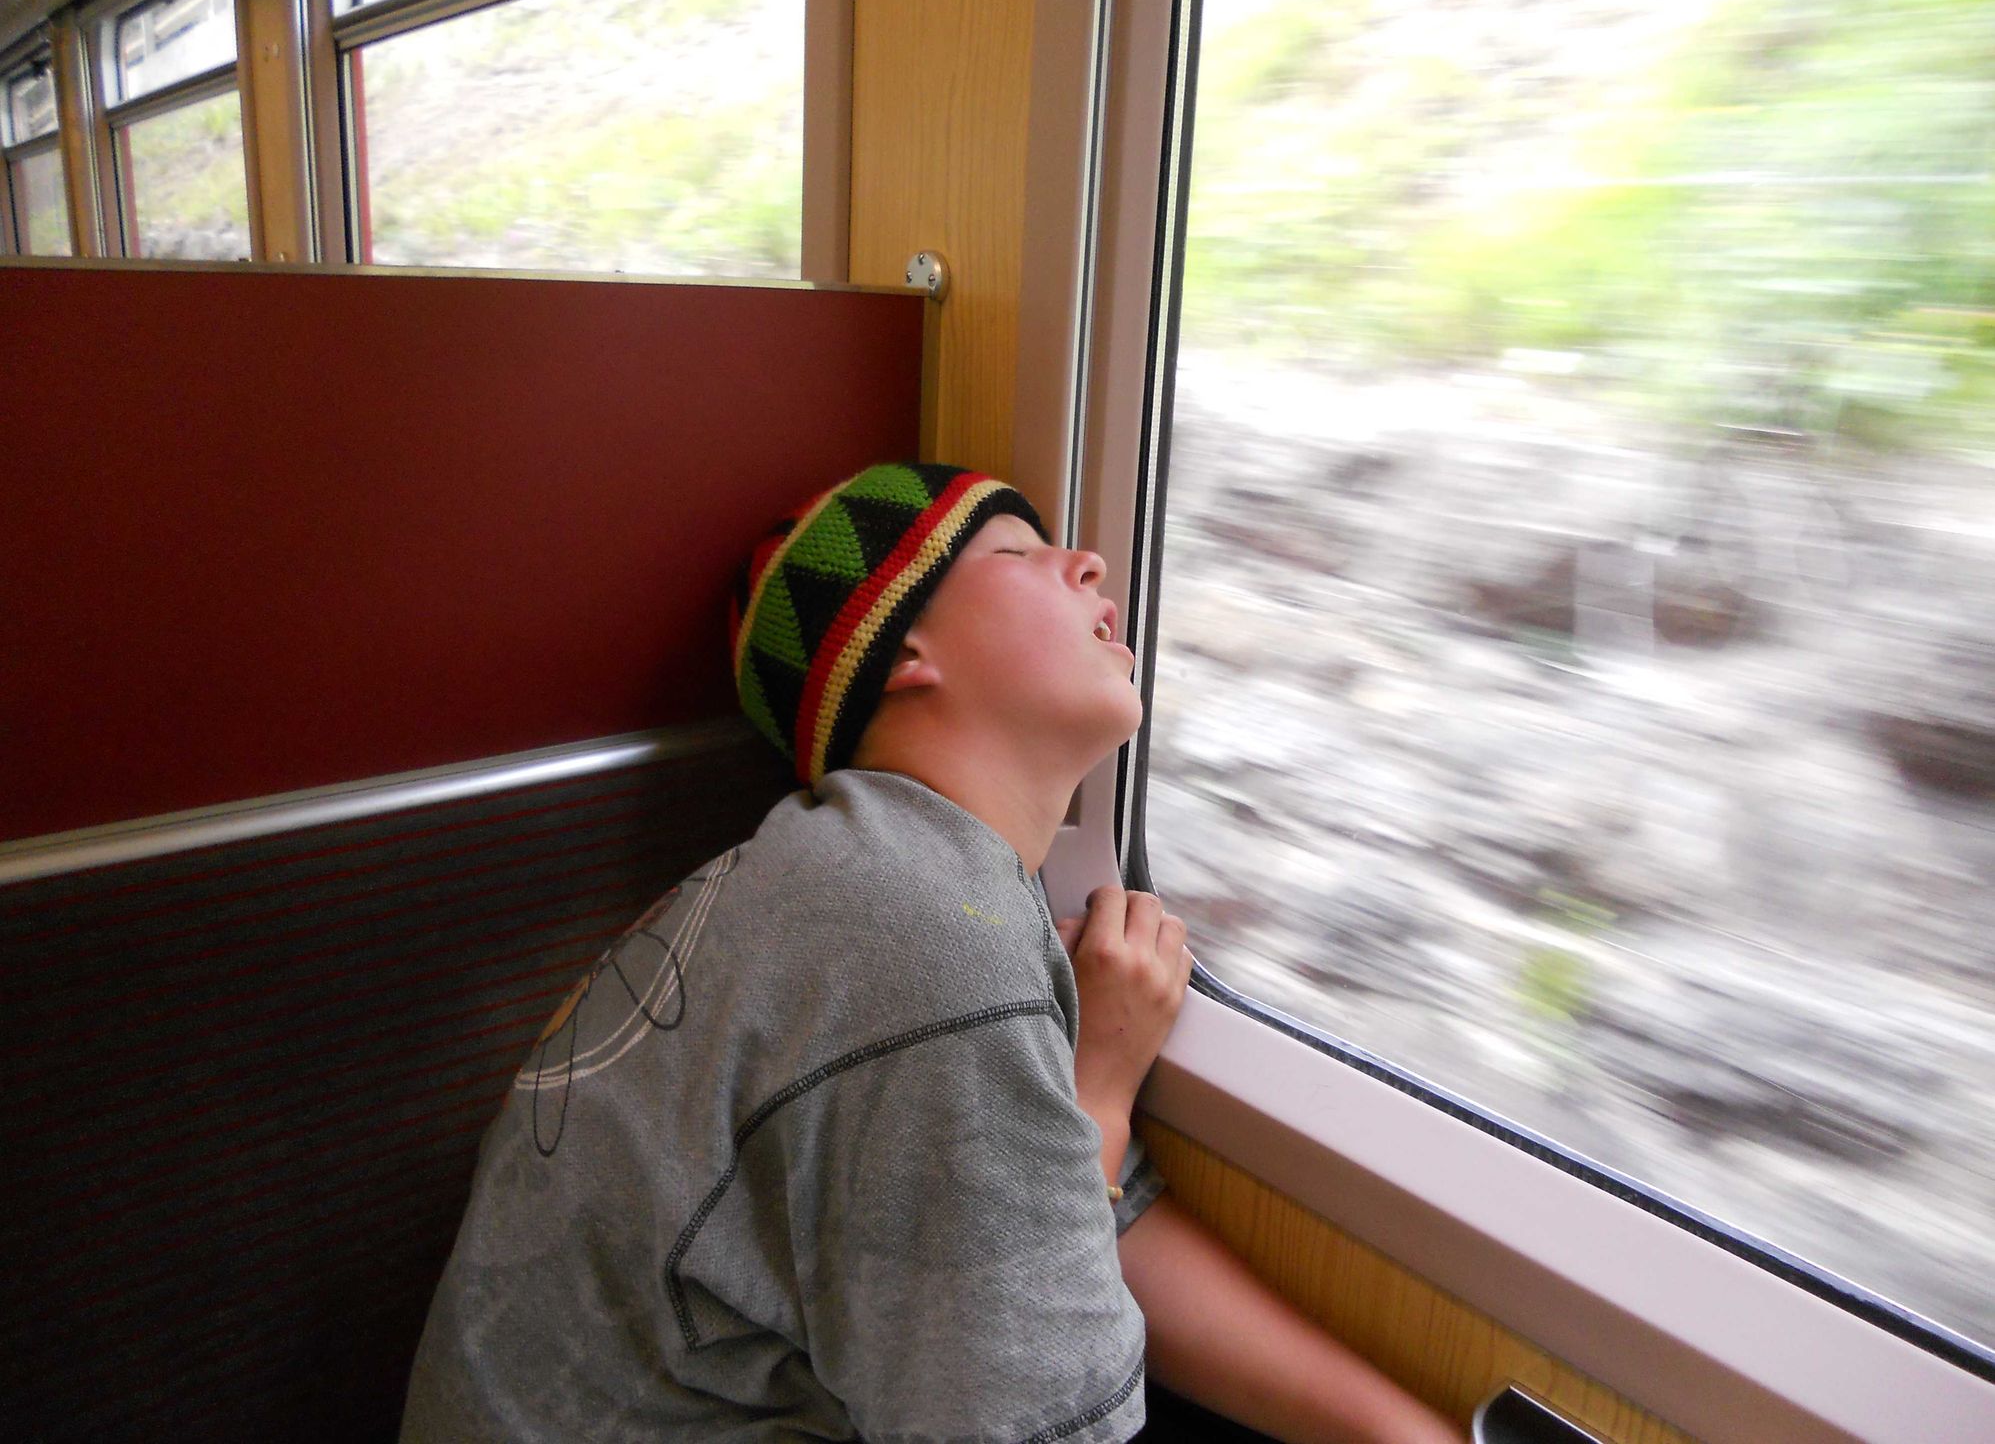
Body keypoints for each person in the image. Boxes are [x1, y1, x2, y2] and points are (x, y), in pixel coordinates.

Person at [401, 462, 1458, 1443]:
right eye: (1016, 551)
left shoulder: (895, 885)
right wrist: (1099, 1093)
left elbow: (1091, 1229)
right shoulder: (917, 937)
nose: (1088, 562)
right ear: (904, 651)